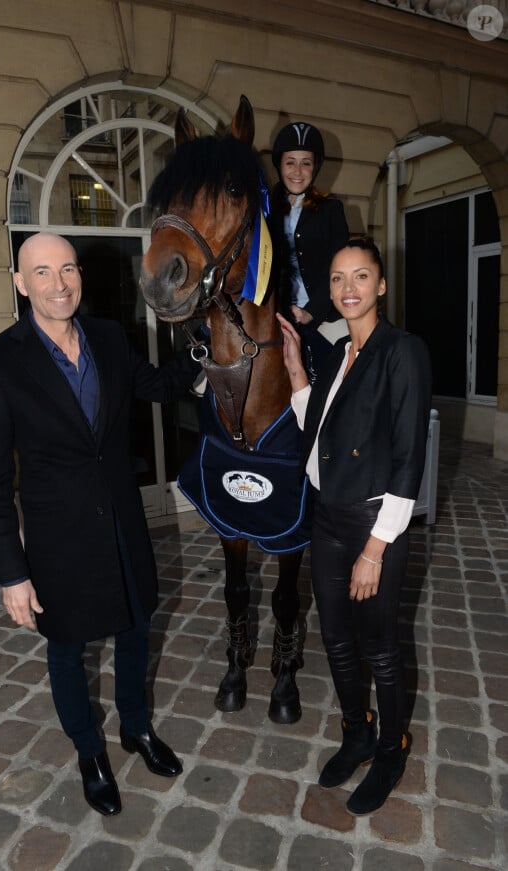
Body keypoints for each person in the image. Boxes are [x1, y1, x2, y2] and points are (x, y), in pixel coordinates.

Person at [0, 232, 201, 817]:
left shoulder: (107, 336)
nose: (59, 282)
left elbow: (158, 387)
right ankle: (90, 752)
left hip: (122, 524)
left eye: (68, 268)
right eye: (42, 272)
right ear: (21, 284)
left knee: (135, 628)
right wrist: (10, 572)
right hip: (58, 540)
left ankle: (137, 729)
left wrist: (202, 341)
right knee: (68, 650)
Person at [276, 236, 431, 815]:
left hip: (373, 524)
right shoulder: (341, 352)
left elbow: (409, 458)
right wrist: (296, 373)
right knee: (336, 638)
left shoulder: (401, 351)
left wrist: (375, 549)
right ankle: (356, 732)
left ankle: (390, 750)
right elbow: (322, 438)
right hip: (329, 516)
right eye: (338, 279)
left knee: (380, 648)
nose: (347, 288)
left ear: (381, 285)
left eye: (360, 277)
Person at [268, 121, 349, 383]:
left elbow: (340, 271)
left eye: (306, 162)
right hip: (275, 315)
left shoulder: (331, 210)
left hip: (325, 317)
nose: (298, 171)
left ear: (315, 167)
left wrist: (311, 311)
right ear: (279, 165)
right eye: (290, 162)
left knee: (354, 374)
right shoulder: (264, 210)